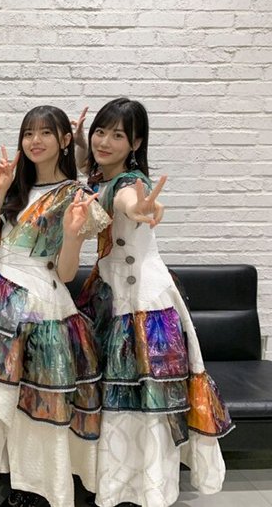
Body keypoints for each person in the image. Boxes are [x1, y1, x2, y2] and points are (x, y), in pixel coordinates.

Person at [76, 98, 234, 507]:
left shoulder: (128, 184)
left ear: (135, 143)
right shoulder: (101, 176)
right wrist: (79, 144)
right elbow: (91, 176)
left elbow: (130, 201)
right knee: (120, 398)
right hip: (113, 298)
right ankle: (119, 487)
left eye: (118, 135)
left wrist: (144, 208)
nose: (104, 142)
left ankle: (146, 490)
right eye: (100, 132)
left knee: (146, 399)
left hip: (142, 307)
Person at [0, 105, 110, 507]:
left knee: (41, 401)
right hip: (3, 306)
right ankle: (20, 481)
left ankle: (41, 489)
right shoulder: (15, 188)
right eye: (28, 133)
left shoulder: (77, 195)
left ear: (66, 140)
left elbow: (67, 272)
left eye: (45, 133)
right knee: (13, 400)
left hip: (44, 308)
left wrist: (71, 235)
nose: (35, 141)